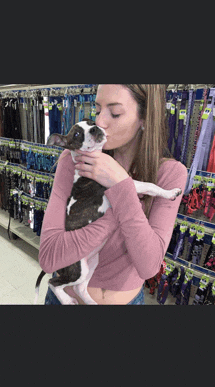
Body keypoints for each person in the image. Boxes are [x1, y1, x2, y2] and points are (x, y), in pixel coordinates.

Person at [39, 84, 188, 305]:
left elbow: (148, 266)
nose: (100, 122)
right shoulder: (75, 159)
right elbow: (49, 258)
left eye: (115, 113)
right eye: (97, 110)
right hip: (64, 299)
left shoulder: (170, 174)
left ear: (145, 118)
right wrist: (110, 216)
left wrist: (121, 183)